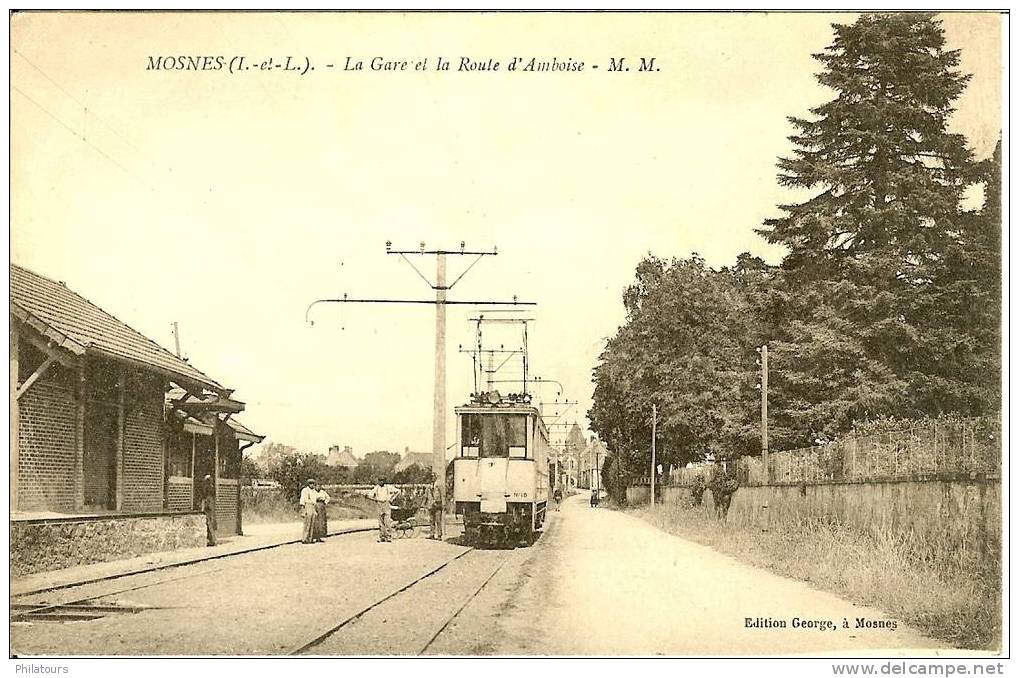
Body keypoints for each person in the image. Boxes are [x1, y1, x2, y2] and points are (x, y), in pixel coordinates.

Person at [369, 477, 400, 543]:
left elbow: (398, 491)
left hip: (386, 504)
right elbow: (370, 494)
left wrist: (392, 498)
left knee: (387, 522)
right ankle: (382, 537)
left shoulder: (388, 487)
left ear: (384, 481)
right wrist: (373, 498)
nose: (381, 482)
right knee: (380, 522)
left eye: (382, 481)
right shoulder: (376, 488)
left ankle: (388, 536)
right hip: (379, 504)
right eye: (380, 480)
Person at [300, 479, 321, 544]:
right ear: (308, 484)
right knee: (307, 523)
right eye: (310, 483)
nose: (312, 485)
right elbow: (303, 499)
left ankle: (310, 538)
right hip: (307, 505)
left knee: (313, 523)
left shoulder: (313, 491)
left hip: (313, 506)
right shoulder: (305, 490)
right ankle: (304, 538)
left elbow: (315, 498)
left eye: (313, 484)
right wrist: (303, 509)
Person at [201, 474, 217, 546]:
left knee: (209, 522)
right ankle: (212, 539)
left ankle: (212, 540)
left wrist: (203, 506)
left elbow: (205, 497)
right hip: (211, 505)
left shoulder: (207, 488)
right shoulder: (212, 487)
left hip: (208, 505)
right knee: (211, 522)